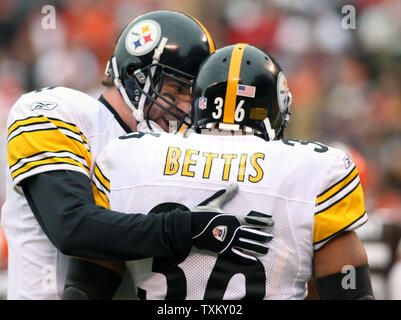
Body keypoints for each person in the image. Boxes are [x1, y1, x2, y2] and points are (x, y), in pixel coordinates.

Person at [63, 44, 374, 300]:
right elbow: (351, 295)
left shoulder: (128, 158)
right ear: (276, 109)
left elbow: (84, 290)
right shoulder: (315, 169)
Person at [1, 11, 273, 300]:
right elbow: (71, 227)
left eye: (192, 97)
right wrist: (188, 229)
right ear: (134, 75)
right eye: (177, 89)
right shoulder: (56, 110)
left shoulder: (164, 150)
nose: (184, 108)